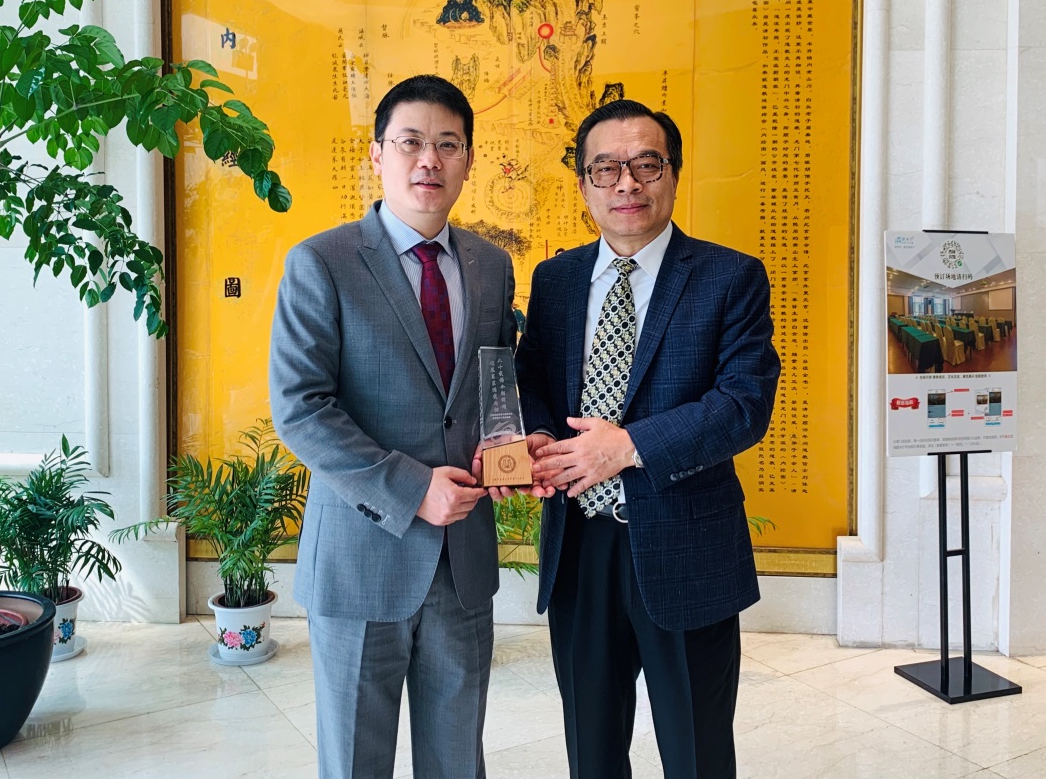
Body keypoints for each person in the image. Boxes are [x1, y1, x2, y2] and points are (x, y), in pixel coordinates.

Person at [513, 98, 780, 779]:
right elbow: (532, 380)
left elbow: (743, 405)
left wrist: (626, 446)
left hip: (686, 546)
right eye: (605, 168)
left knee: (696, 753)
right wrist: (538, 435)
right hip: (579, 546)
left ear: (673, 174)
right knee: (592, 751)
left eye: (645, 165)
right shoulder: (555, 280)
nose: (625, 183)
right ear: (584, 185)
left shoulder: (730, 277)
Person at [270, 74, 516, 779]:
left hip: (462, 560)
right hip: (360, 558)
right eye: (410, 142)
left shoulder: (491, 266)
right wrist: (413, 489)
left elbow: (493, 386)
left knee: (457, 761)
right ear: (377, 155)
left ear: (469, 159)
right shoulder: (322, 262)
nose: (429, 160)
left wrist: (506, 449)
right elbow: (301, 408)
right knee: (356, 761)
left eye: (448, 144)